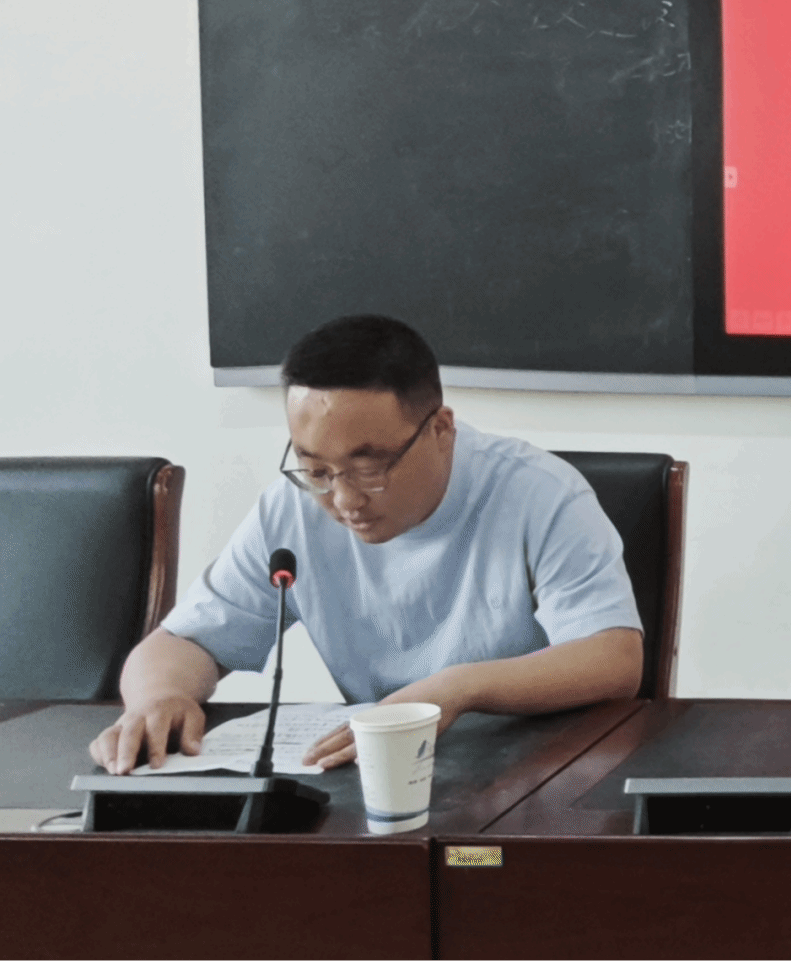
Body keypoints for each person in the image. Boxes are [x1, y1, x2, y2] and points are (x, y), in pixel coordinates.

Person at [90, 314, 644, 774]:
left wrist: (457, 689)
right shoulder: (292, 509)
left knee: (472, 863)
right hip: (377, 783)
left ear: (441, 429)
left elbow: (615, 658)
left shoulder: (540, 493)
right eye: (316, 468)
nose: (343, 498)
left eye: (370, 467)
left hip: (531, 783)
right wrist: (159, 698)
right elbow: (182, 642)